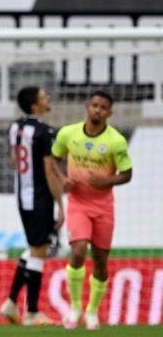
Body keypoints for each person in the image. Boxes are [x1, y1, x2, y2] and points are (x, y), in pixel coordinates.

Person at [51, 91, 133, 330]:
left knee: (100, 262)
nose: (97, 110)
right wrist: (63, 178)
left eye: (103, 107)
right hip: (78, 203)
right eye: (94, 105)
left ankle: (93, 311)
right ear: (87, 107)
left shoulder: (116, 141)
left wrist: (105, 181)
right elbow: (54, 158)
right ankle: (75, 308)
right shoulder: (68, 133)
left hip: (103, 207)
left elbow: (127, 174)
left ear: (109, 113)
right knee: (77, 252)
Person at [0, 86, 64, 326]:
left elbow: (14, 160)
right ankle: (33, 312)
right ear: (35, 105)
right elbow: (48, 170)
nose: (48, 97)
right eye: (44, 95)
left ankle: (11, 302)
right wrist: (60, 204)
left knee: (35, 248)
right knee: (40, 251)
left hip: (21, 196)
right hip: (39, 198)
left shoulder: (14, 127)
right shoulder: (44, 132)